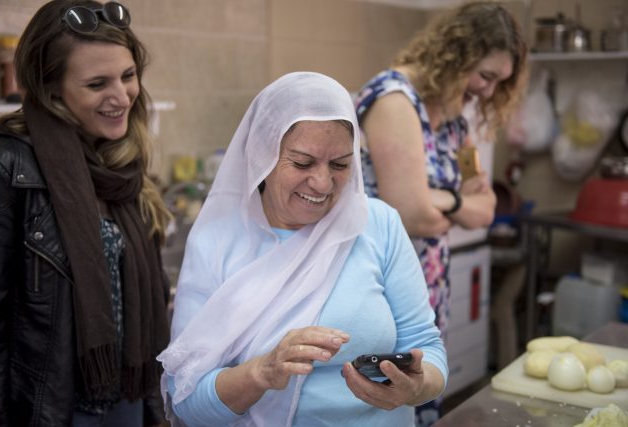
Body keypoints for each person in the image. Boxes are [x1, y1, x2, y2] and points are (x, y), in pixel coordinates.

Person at [157, 71, 448, 427]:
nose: (323, 183)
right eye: (302, 163)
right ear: (262, 155)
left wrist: (415, 388)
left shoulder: (378, 225)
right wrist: (261, 373)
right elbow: (186, 399)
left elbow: (428, 348)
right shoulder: (216, 242)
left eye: (340, 164)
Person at [0, 1, 172, 425]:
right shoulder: (7, 165)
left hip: (129, 399)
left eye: (128, 76)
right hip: (50, 408)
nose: (121, 96)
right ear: (52, 89)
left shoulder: (123, 165)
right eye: (96, 84)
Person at [354, 2, 528, 425]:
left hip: (430, 291)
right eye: (485, 76)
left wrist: (443, 200)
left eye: (498, 82)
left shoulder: (455, 125)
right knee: (382, 406)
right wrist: (450, 203)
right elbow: (413, 216)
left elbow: (486, 209)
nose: (487, 92)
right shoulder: (395, 100)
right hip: (383, 290)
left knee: (422, 401)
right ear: (455, 54)